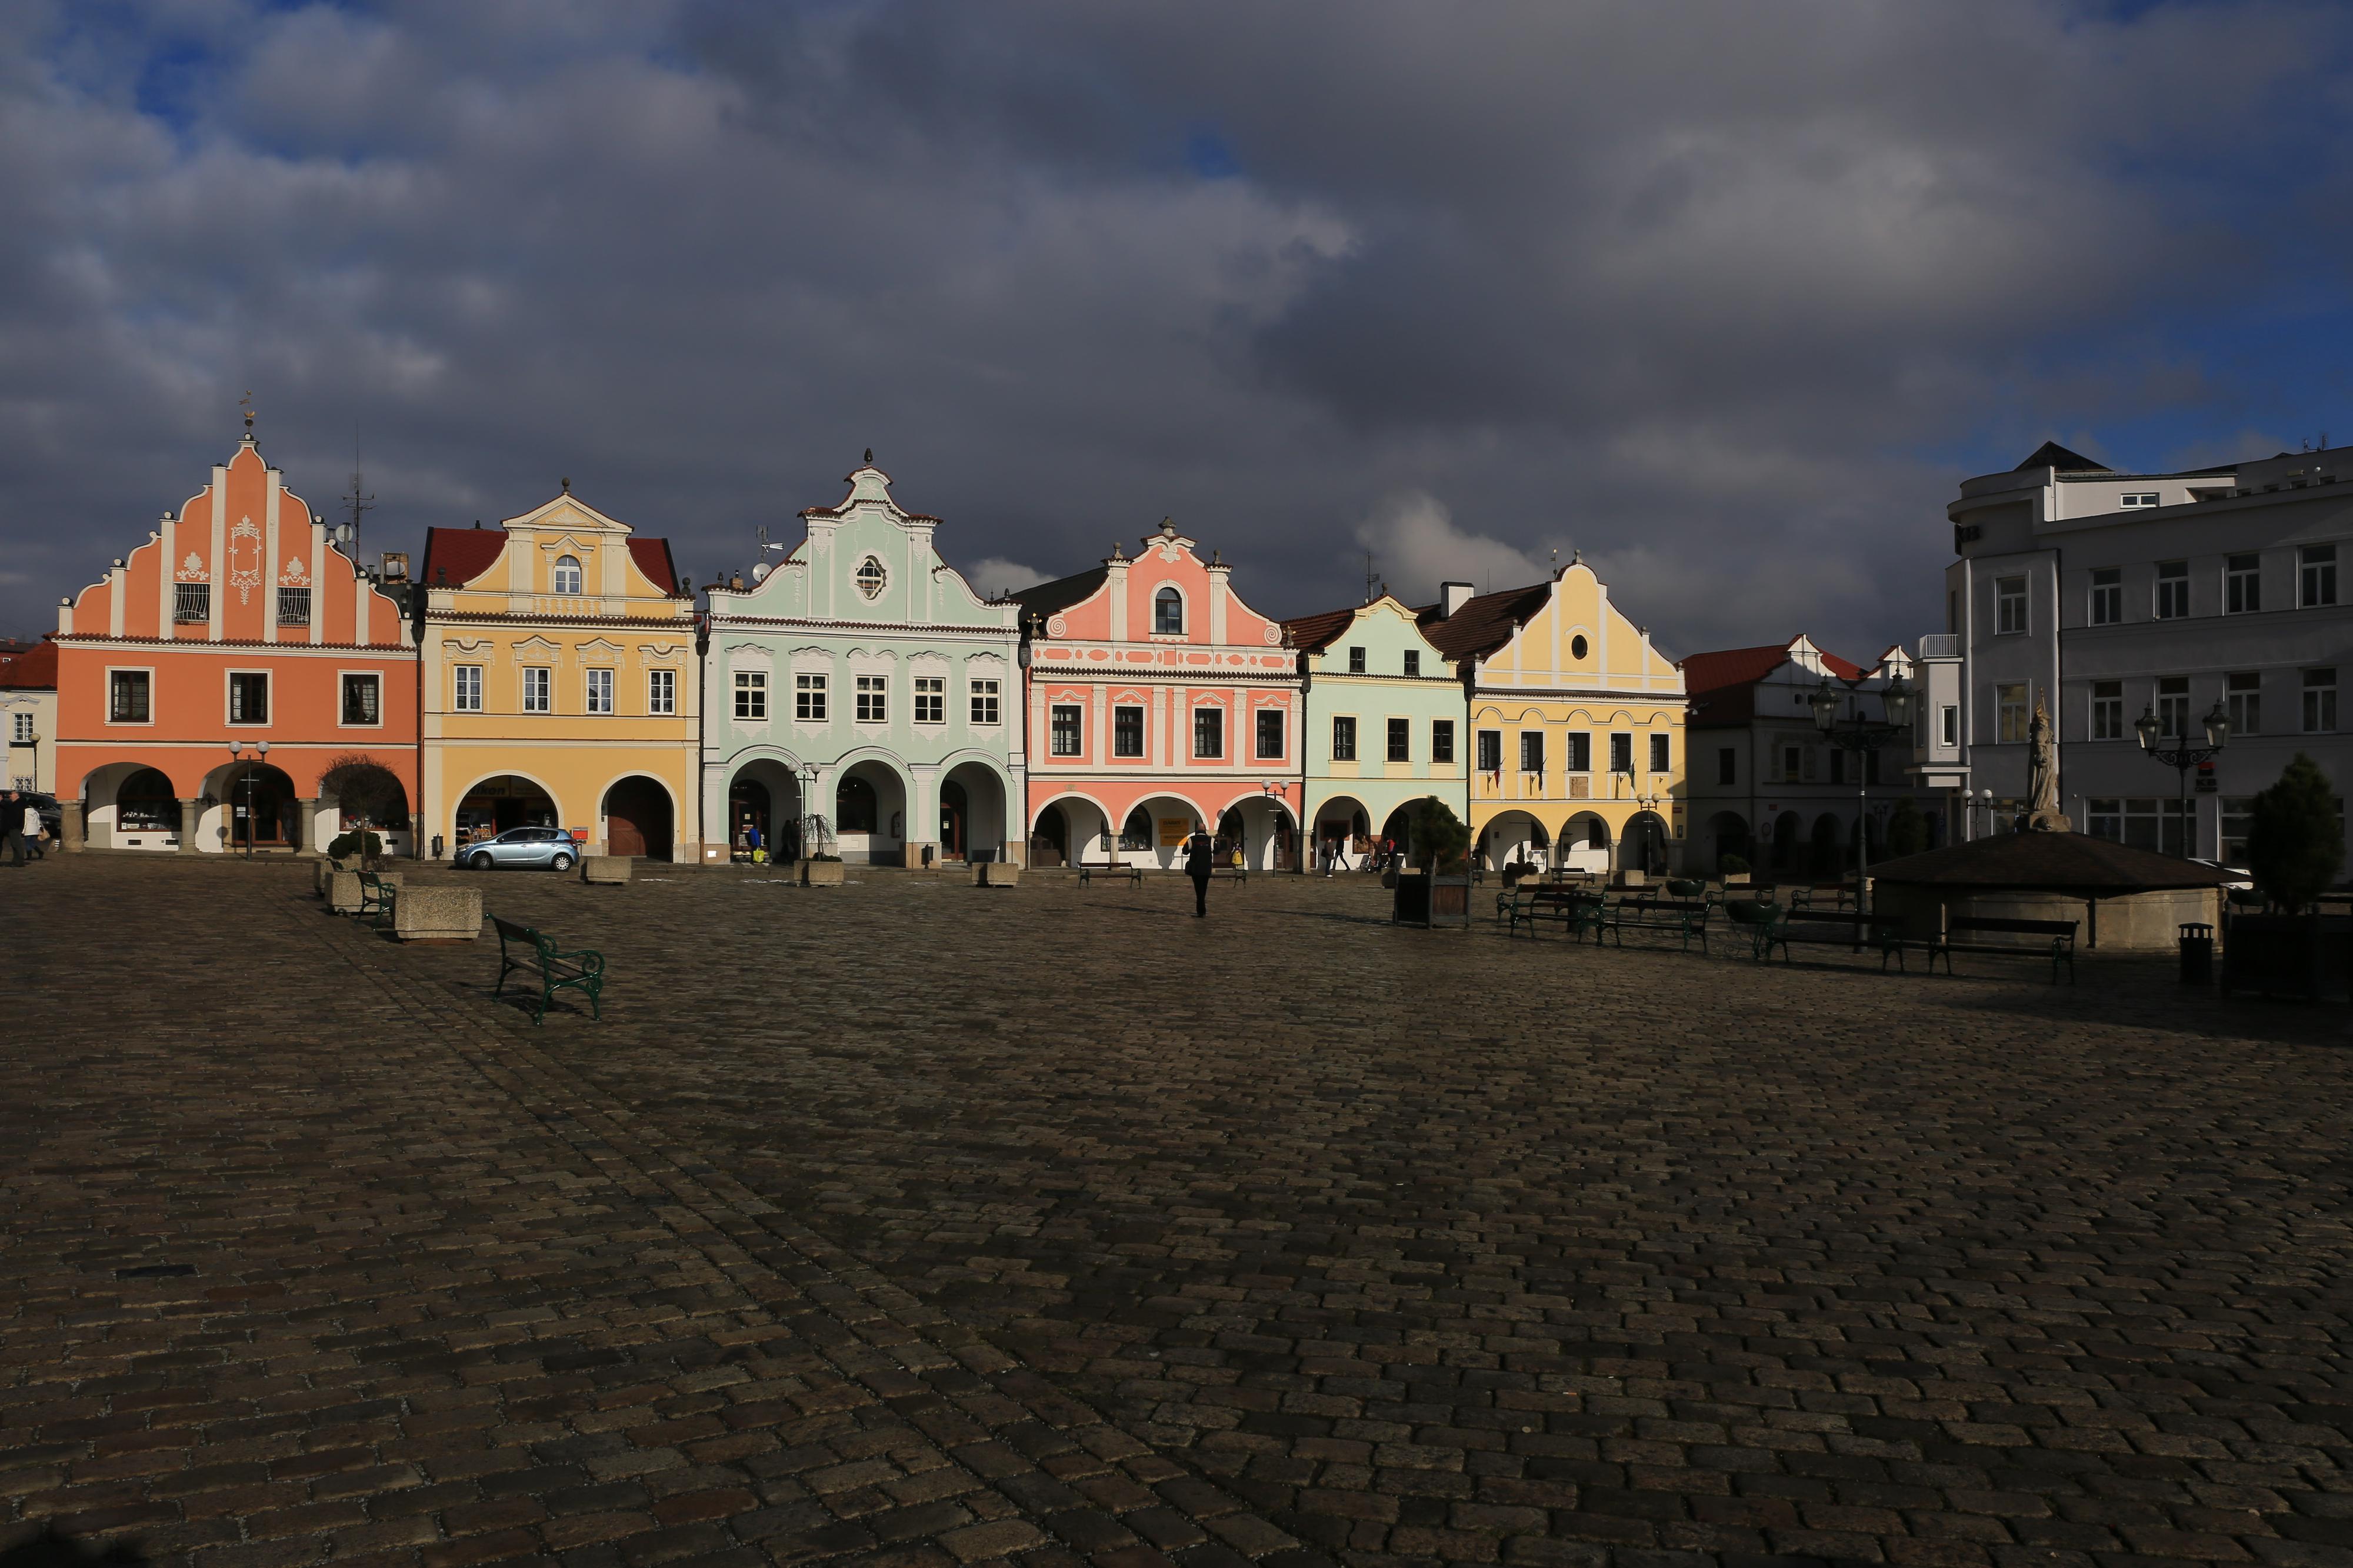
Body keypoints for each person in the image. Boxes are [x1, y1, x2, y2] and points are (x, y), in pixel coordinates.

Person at [1183, 825, 1215, 917]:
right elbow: (1217, 851)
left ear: (1197, 830)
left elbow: (1185, 851)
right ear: (1205, 830)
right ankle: (1202, 910)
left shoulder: (1192, 840)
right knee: (1204, 889)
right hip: (1206, 869)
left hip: (1195, 869)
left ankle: (1201, 911)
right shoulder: (1211, 840)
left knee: (1198, 890)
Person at [2, 792, 23, 867]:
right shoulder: (15, 804)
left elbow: (17, 816)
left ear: (16, 795)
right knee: (14, 845)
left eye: (11, 794)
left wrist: (13, 825)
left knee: (17, 845)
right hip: (14, 827)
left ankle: (19, 862)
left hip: (15, 828)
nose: (10, 796)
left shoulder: (18, 804)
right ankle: (16, 861)